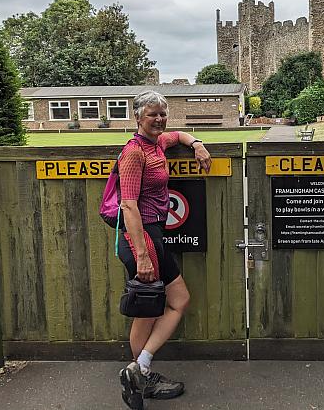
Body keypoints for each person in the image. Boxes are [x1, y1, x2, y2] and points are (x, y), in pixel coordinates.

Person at [117, 91, 211, 410]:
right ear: (137, 118)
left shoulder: (158, 143)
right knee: (149, 309)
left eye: (162, 113)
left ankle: (139, 370)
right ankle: (140, 376)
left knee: (178, 300)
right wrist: (142, 254)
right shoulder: (133, 153)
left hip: (154, 235)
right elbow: (128, 205)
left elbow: (179, 135)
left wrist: (196, 144)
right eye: (152, 114)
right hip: (140, 237)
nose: (159, 119)